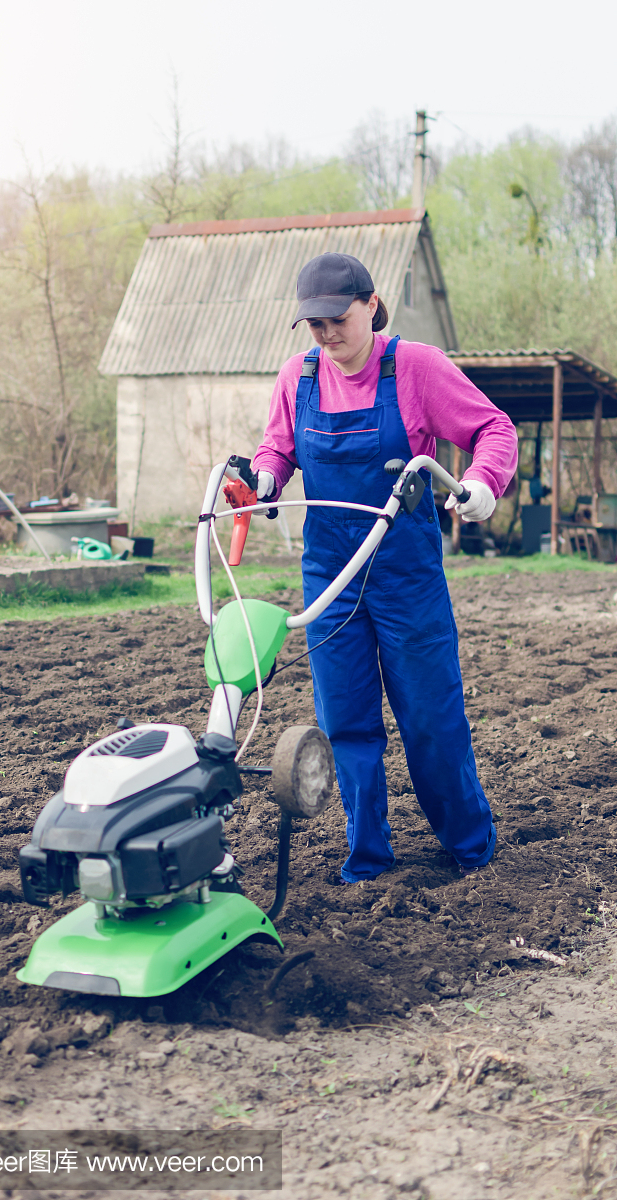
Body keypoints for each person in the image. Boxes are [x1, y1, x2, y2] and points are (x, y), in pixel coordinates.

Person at [252, 252, 518, 882]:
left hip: (404, 572)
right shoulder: (300, 376)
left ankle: (470, 845)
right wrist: (264, 476)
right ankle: (367, 853)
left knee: (429, 714)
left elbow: (493, 428)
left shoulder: (416, 367)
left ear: (371, 306)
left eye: (337, 319)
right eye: (313, 324)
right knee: (345, 718)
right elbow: (277, 446)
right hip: (330, 574)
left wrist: (483, 482)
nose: (325, 334)